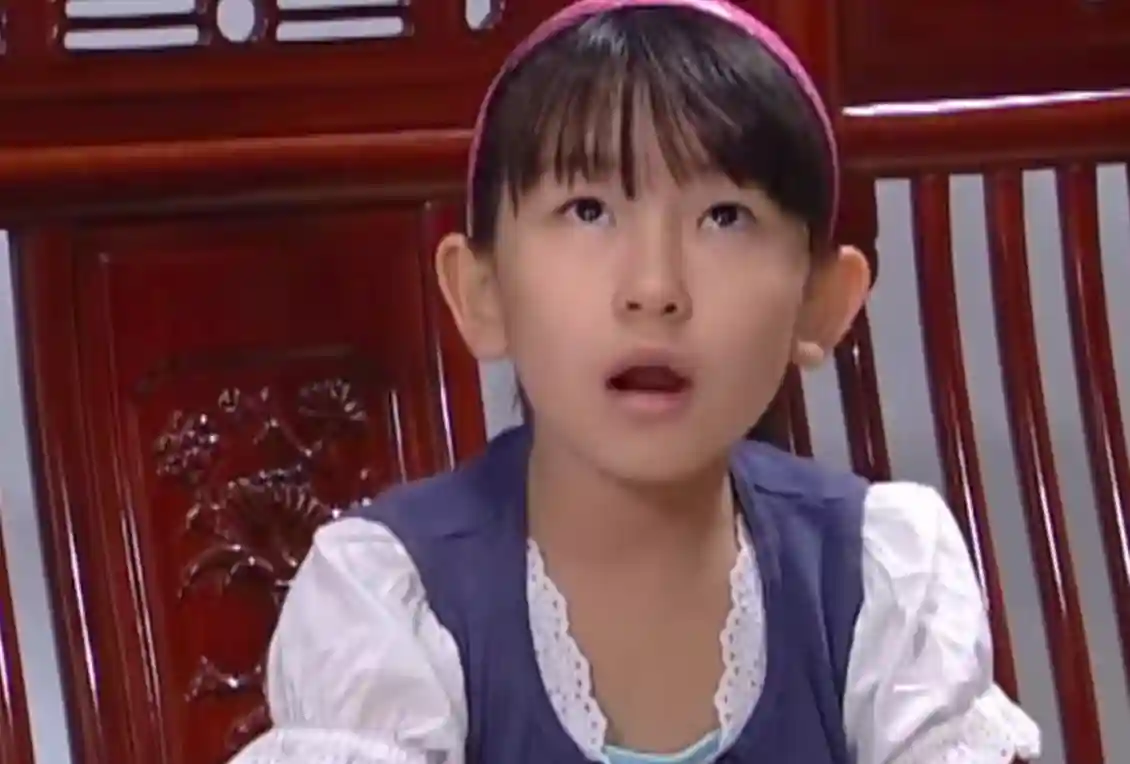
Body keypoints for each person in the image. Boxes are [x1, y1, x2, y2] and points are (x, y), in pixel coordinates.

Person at [231, 1, 1043, 762]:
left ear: (821, 304)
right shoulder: (389, 597)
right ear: (482, 295)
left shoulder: (879, 579)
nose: (654, 288)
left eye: (725, 217)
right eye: (588, 210)